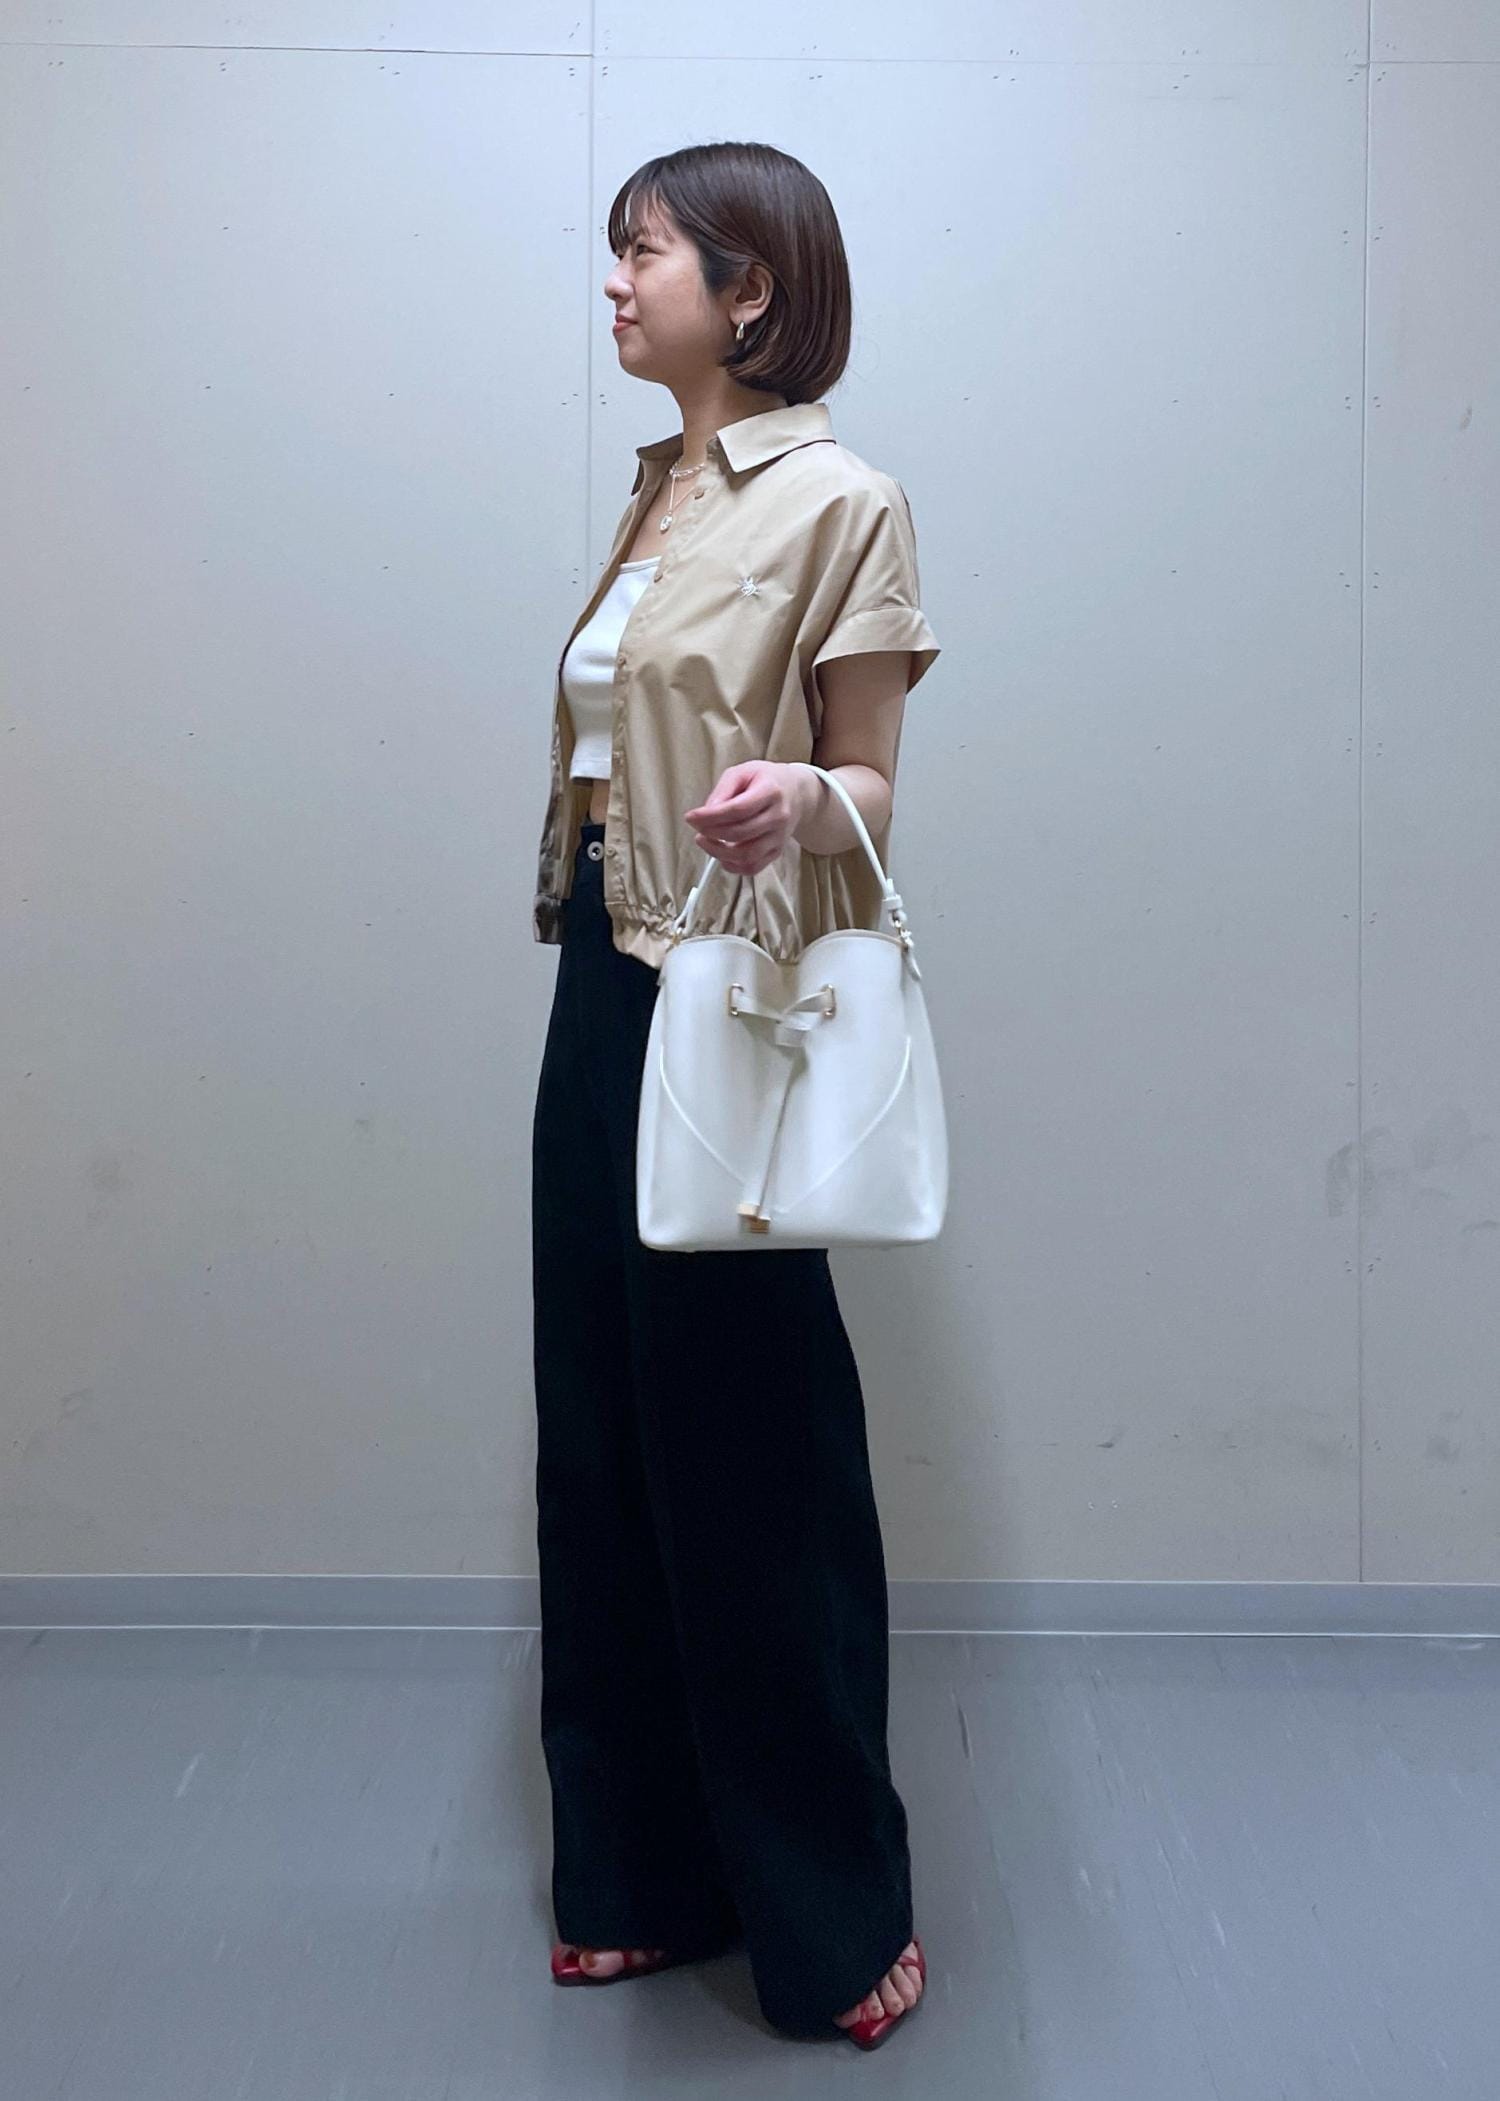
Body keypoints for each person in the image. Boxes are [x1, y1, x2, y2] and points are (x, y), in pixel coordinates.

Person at [529, 140, 941, 2048]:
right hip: (596, 984)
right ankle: (635, 1870)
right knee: (601, 1428)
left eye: (644, 253)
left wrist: (801, 803)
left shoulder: (845, 501)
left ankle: (828, 1904)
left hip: (727, 992)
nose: (615, 283)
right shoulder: (655, 491)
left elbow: (870, 781)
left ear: (749, 289)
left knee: (753, 1447)